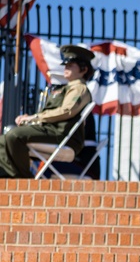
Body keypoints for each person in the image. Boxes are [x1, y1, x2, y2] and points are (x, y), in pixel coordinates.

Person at [0, 44, 94, 179]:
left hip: (62, 135)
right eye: (65, 65)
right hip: (51, 131)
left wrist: (35, 117)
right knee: (2, 141)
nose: (66, 68)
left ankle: (24, 180)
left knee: (15, 136)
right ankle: (8, 178)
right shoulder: (65, 89)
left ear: (84, 69)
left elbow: (66, 111)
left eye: (70, 65)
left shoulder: (79, 88)